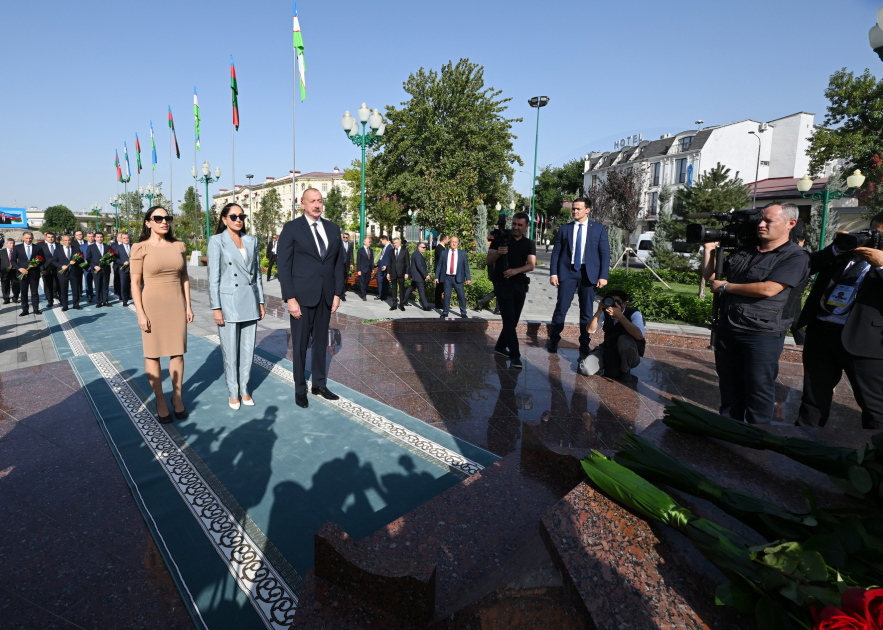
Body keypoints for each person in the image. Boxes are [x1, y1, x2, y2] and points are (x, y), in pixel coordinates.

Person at [701, 202, 810, 425]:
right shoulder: (746, 250)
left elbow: (769, 289)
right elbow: (711, 277)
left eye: (769, 221)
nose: (761, 225)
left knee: (758, 389)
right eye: (761, 219)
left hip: (761, 334)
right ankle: (729, 429)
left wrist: (726, 287)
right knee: (729, 387)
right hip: (729, 327)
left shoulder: (795, 256)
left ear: (791, 223)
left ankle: (757, 437)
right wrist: (709, 249)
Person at [795, 212, 883, 430]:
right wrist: (837, 248)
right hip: (821, 332)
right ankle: (804, 444)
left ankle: (874, 455)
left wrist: (882, 265)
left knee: (874, 405)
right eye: (873, 231)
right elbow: (805, 267)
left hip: (865, 341)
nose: (875, 238)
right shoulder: (848, 252)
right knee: (813, 399)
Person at [277, 187, 345, 409]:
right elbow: (284, 266)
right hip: (302, 298)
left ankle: (319, 384)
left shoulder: (333, 229)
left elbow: (338, 264)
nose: (317, 205)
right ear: (303, 204)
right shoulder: (292, 228)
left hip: (326, 296)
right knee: (299, 344)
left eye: (320, 201)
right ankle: (300, 389)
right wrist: (290, 298)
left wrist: (337, 293)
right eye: (312, 201)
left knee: (320, 344)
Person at [131, 206, 194, 423]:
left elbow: (184, 276)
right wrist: (140, 313)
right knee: (153, 354)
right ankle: (160, 400)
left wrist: (188, 305)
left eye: (167, 218)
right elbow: (135, 283)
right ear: (148, 222)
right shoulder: (140, 248)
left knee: (177, 353)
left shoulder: (179, 246)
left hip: (176, 304)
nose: (163, 221)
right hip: (152, 305)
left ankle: (177, 398)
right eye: (157, 218)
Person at [209, 203, 266, 410]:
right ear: (224, 219)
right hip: (229, 302)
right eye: (233, 216)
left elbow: (257, 274)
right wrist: (216, 307)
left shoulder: (252, 240)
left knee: (248, 349)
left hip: (250, 299)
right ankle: (233, 392)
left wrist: (260, 301)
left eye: (241, 216)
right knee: (230, 351)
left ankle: (244, 388)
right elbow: (213, 278)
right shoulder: (217, 241)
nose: (238, 219)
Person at [548, 197, 610, 355]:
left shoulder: (598, 229)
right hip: (567, 273)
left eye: (578, 209)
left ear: (588, 210)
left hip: (589, 275)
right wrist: (554, 273)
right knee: (561, 308)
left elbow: (604, 254)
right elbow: (556, 252)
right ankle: (554, 340)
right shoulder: (565, 229)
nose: (574, 211)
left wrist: (603, 276)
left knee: (587, 311)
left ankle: (584, 344)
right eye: (573, 209)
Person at [486, 212, 536, 368]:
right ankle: (515, 355)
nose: (516, 227)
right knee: (508, 320)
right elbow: (488, 260)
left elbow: (531, 265)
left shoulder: (529, 243)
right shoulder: (500, 239)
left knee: (513, 321)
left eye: (520, 225)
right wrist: (499, 253)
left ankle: (500, 346)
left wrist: (515, 271)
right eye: (514, 224)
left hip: (520, 284)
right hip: (502, 284)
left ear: (526, 227)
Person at [579, 289, 645, 380]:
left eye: (616, 302)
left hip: (630, 356)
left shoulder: (634, 314)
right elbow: (590, 330)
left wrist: (619, 316)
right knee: (585, 369)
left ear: (624, 304)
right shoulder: (605, 312)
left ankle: (625, 370)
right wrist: (599, 311)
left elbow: (639, 335)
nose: (613, 304)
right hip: (608, 350)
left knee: (624, 340)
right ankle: (609, 365)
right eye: (610, 301)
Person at [782, 219, 810, 345]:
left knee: (790, 319)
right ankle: (803, 344)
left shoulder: (797, 254)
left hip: (793, 289)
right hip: (795, 289)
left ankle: (803, 344)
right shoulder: (799, 252)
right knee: (794, 320)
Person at [435, 236, 471, 319]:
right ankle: (445, 312)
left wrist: (468, 278)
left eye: (456, 242)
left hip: (458, 278)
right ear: (449, 243)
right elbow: (439, 265)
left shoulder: (462, 253)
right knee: (446, 295)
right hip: (447, 277)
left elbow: (466, 266)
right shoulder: (444, 253)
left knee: (461, 295)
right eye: (452, 242)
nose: (454, 243)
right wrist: (437, 276)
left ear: (458, 243)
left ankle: (463, 312)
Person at [13, 231, 43, 316]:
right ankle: (25, 309)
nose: (28, 240)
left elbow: (42, 259)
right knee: (24, 292)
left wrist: (36, 264)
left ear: (32, 238)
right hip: (22, 274)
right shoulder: (17, 248)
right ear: (23, 238)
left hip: (34, 274)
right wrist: (19, 268)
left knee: (34, 292)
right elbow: (13, 260)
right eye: (26, 238)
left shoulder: (37, 248)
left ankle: (36, 309)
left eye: (30, 238)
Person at [52, 234, 84, 311]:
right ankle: (65, 305)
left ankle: (76, 304)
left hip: (74, 272)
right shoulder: (58, 249)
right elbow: (53, 261)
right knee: (63, 290)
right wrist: (61, 266)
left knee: (75, 289)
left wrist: (76, 261)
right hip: (63, 273)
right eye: (65, 240)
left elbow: (81, 259)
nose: (67, 242)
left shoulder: (76, 249)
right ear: (62, 241)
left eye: (69, 240)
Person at [87, 232, 113, 307]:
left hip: (105, 269)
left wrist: (107, 261)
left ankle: (105, 301)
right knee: (98, 285)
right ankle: (99, 301)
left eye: (101, 237)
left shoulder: (107, 247)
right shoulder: (91, 247)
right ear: (95, 238)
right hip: (96, 270)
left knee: (105, 286)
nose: (99, 238)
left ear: (103, 238)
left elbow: (111, 257)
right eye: (98, 237)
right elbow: (88, 258)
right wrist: (94, 266)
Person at [405, 242, 432, 311]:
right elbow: (419, 265)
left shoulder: (416, 253)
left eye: (425, 247)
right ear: (419, 247)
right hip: (418, 276)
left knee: (411, 287)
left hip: (415, 275)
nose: (425, 249)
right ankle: (425, 306)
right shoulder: (417, 254)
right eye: (423, 247)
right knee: (421, 290)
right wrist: (425, 275)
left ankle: (404, 301)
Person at [386, 237, 410, 312]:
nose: (395, 244)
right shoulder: (391, 251)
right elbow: (389, 263)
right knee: (393, 289)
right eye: (394, 243)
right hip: (393, 273)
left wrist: (407, 272)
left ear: (399, 243)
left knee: (402, 289)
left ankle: (402, 305)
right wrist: (388, 273)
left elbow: (407, 263)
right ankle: (394, 304)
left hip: (401, 272)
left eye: (396, 243)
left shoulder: (404, 251)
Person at [40, 231, 59, 308]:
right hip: (46, 269)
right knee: (48, 285)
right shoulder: (41, 246)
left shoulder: (59, 246)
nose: (51, 239)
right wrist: (42, 269)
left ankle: (59, 297)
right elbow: (39, 259)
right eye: (49, 237)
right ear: (46, 237)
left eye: (52, 237)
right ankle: (50, 301)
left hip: (57, 268)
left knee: (58, 284)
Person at [114, 233, 133, 307]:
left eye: (127, 238)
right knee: (124, 285)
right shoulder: (118, 248)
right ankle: (124, 300)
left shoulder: (133, 246)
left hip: (133, 269)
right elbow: (115, 259)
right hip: (123, 269)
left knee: (133, 284)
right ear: (121, 239)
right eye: (124, 238)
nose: (126, 239)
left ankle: (130, 296)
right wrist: (122, 263)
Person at [1, 238, 19, 304]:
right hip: (4, 271)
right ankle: (6, 298)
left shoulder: (17, 251)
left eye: (13, 243)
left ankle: (15, 298)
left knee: (16, 285)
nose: (12, 245)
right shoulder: (1, 252)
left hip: (15, 271)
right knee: (5, 285)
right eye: (10, 243)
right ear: (6, 244)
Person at [433, 234, 449, 308]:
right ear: (444, 239)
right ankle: (438, 303)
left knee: (440, 287)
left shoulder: (441, 248)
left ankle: (438, 303)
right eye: (447, 239)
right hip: (440, 271)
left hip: (441, 271)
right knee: (439, 288)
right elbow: (441, 260)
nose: (448, 241)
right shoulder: (439, 248)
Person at [356, 237, 373, 301]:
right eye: (369, 242)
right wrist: (359, 270)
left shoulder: (370, 250)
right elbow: (358, 261)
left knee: (367, 281)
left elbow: (371, 260)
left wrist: (372, 269)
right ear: (364, 242)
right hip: (362, 269)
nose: (370, 243)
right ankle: (364, 295)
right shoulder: (360, 250)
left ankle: (364, 291)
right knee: (362, 282)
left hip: (369, 269)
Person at [80, 233, 95, 302]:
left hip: (96, 267)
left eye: (92, 236)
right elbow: (80, 256)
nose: (91, 238)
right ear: (86, 237)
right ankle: (89, 296)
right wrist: (84, 262)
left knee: (98, 282)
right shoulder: (82, 246)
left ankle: (100, 296)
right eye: (89, 237)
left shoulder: (97, 245)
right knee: (88, 282)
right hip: (87, 268)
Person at [376, 235, 392, 301]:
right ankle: (380, 295)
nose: (381, 242)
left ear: (385, 240)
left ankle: (384, 296)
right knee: (379, 280)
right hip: (380, 266)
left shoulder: (390, 248)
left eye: (381, 241)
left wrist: (386, 266)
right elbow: (382, 257)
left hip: (385, 267)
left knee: (385, 282)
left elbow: (390, 259)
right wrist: (377, 263)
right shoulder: (384, 247)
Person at [340, 232, 354, 300]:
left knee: (345, 279)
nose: (345, 238)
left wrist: (352, 263)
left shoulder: (350, 244)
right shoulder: (340, 244)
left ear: (348, 238)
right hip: (340, 264)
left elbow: (351, 254)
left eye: (346, 237)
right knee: (341, 278)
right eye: (344, 237)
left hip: (347, 264)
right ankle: (341, 292)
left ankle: (343, 291)